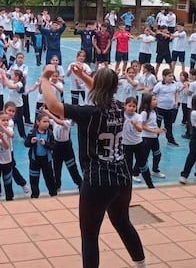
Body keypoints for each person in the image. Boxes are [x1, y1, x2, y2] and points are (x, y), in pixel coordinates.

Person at [40, 64, 148, 268]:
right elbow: (103, 90)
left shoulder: (89, 113)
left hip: (98, 180)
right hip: (122, 177)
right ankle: (142, 265)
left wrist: (45, 79)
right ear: (116, 88)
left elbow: (54, 106)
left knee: (90, 235)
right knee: (123, 223)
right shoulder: (119, 107)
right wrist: (82, 75)